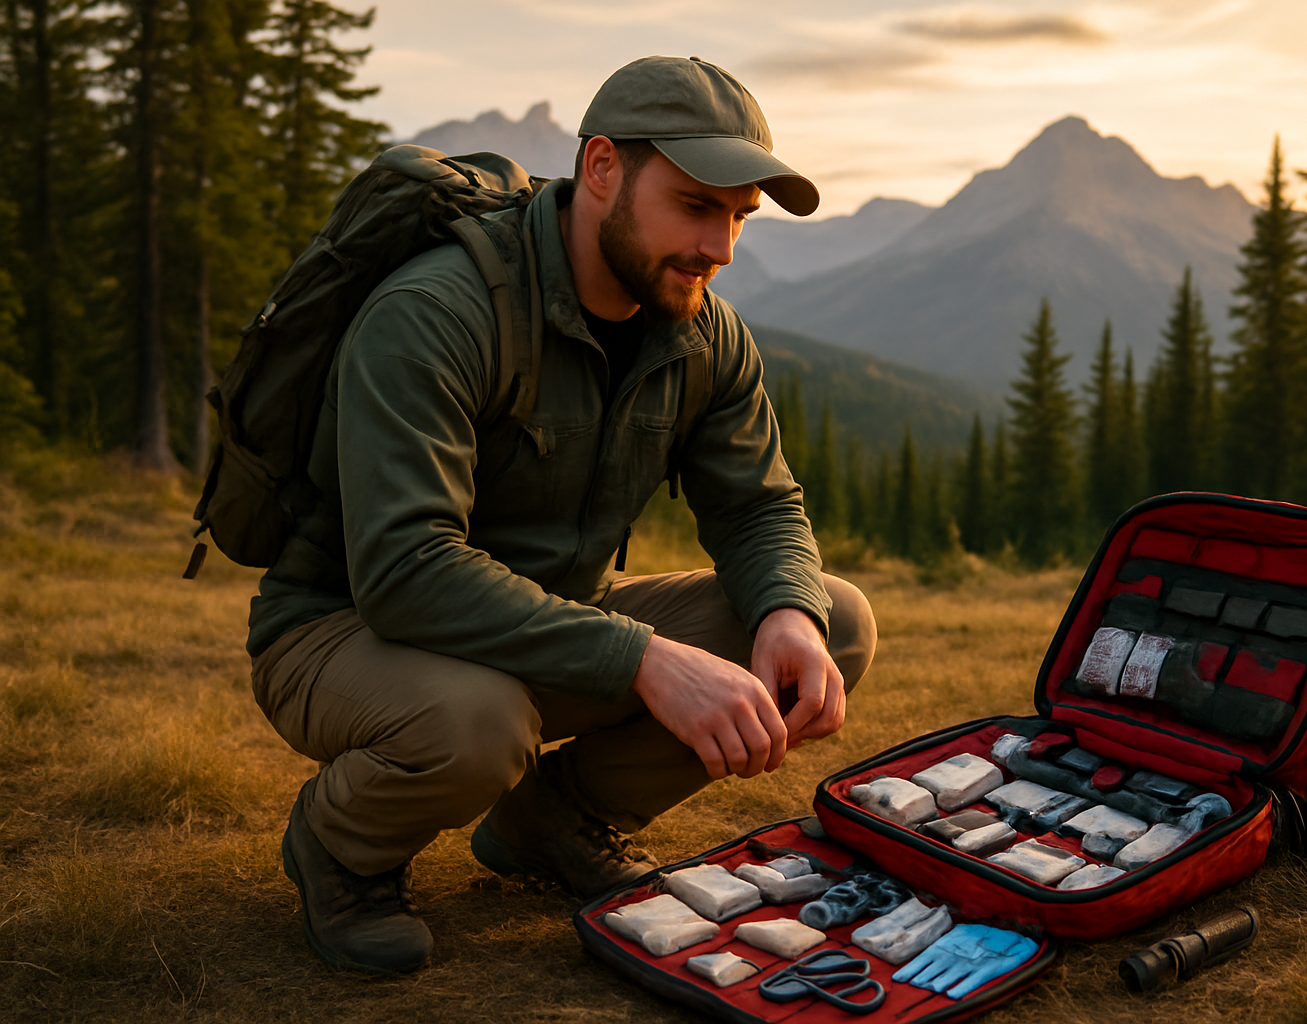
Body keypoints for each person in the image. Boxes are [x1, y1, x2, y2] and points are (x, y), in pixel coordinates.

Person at [244, 55, 878, 976]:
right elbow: (405, 569)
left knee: (834, 618)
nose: (723, 248)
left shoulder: (701, 331)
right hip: (344, 628)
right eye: (697, 204)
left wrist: (787, 611)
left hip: (543, 627)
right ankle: (341, 845)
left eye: (739, 217)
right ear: (603, 169)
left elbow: (759, 506)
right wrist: (646, 660)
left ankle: (556, 818)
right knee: (478, 722)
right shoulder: (439, 311)